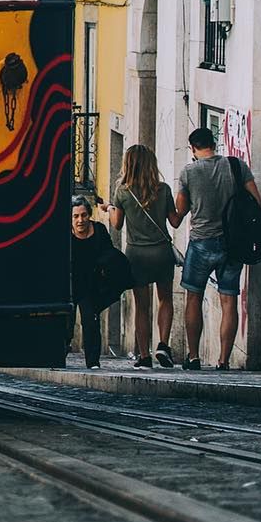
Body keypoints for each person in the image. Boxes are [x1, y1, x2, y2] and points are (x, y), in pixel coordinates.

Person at [174, 127, 261, 371]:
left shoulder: (189, 172)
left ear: (193, 148)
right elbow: (255, 200)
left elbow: (180, 211)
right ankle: (223, 360)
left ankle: (193, 357)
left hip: (201, 242)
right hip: (232, 244)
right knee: (229, 300)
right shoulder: (236, 166)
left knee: (193, 296)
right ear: (213, 144)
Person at [100, 145, 181, 370]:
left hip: (137, 255)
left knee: (141, 306)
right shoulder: (163, 189)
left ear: (128, 164)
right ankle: (163, 345)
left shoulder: (123, 192)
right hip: (162, 253)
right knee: (165, 299)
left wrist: (108, 209)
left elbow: (117, 225)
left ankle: (144, 356)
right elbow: (174, 221)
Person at [70, 195, 112, 369]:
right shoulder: (64, 234)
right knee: (65, 323)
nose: (80, 220)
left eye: (84, 215)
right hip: (70, 283)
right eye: (76, 216)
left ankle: (93, 361)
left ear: (89, 215)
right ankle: (58, 355)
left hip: (90, 283)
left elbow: (109, 254)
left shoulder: (99, 231)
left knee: (90, 321)